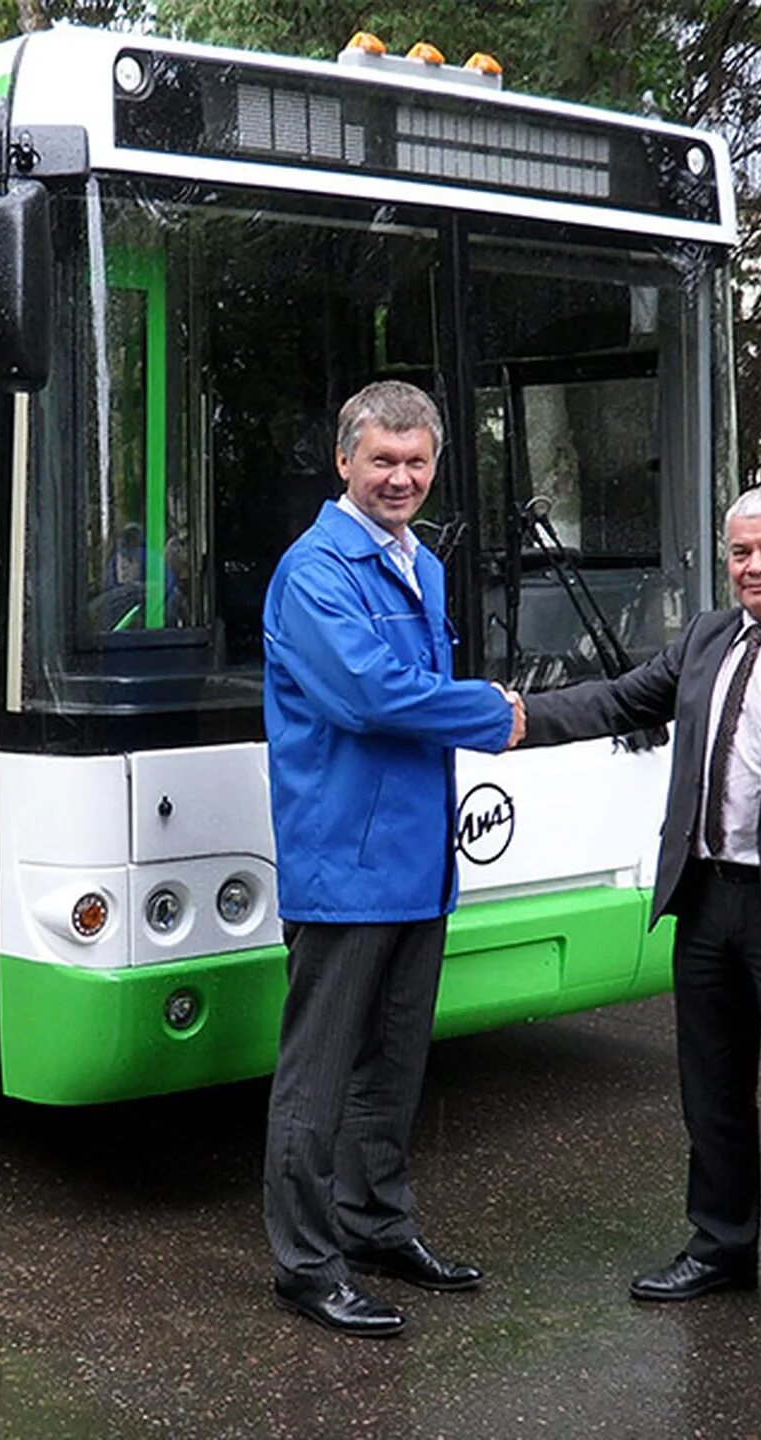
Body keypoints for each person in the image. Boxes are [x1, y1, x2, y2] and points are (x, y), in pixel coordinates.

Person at [516, 484, 761, 1353]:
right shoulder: (707, 637)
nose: (754, 567)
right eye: (740, 552)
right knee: (712, 1093)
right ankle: (722, 1246)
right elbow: (620, 701)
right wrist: (512, 717)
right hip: (707, 897)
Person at [262, 380, 523, 1338]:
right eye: (383, 460)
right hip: (346, 864)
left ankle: (375, 1225)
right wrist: (498, 713)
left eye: (417, 462)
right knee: (319, 1077)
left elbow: (410, 693)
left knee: (393, 1066)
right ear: (345, 463)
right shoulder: (316, 568)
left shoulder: (421, 561)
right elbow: (371, 697)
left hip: (417, 862)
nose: (401, 478)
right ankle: (303, 1263)